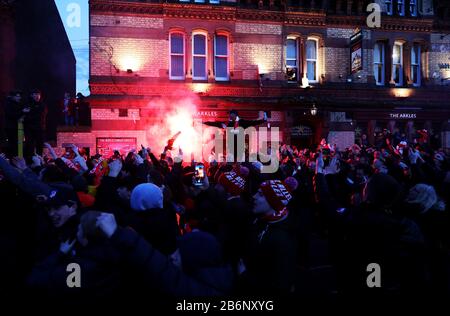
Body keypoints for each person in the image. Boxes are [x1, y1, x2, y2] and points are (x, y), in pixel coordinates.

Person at [23, 89, 47, 157]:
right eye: (35, 94)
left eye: (38, 94)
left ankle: (39, 160)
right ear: (31, 95)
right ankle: (29, 160)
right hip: (29, 128)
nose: (37, 96)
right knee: (29, 144)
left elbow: (40, 116)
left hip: (39, 128)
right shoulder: (27, 104)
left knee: (39, 145)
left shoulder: (42, 105)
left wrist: (30, 113)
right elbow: (24, 115)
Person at [3, 90, 23, 157]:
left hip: (18, 126)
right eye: (17, 96)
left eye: (20, 96)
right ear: (12, 97)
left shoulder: (18, 103)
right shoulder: (8, 103)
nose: (19, 97)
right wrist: (22, 112)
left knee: (19, 143)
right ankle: (13, 158)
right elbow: (11, 114)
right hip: (11, 127)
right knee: (13, 143)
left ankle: (18, 157)